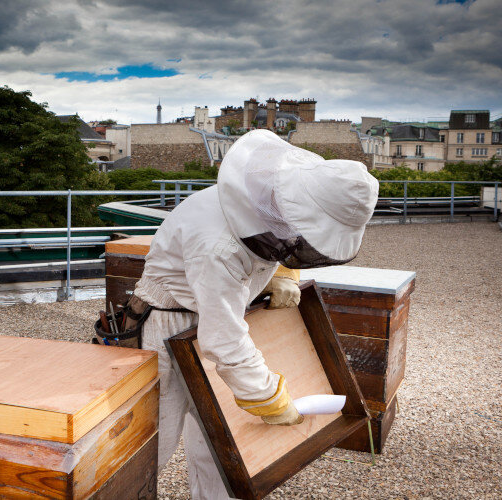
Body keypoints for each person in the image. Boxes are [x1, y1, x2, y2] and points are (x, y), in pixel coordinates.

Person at [130, 130, 379, 499]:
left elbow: (285, 232)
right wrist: (268, 398)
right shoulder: (216, 244)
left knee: (221, 443)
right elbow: (225, 341)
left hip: (217, 313)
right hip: (168, 324)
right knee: (151, 448)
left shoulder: (273, 201)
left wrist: (282, 274)